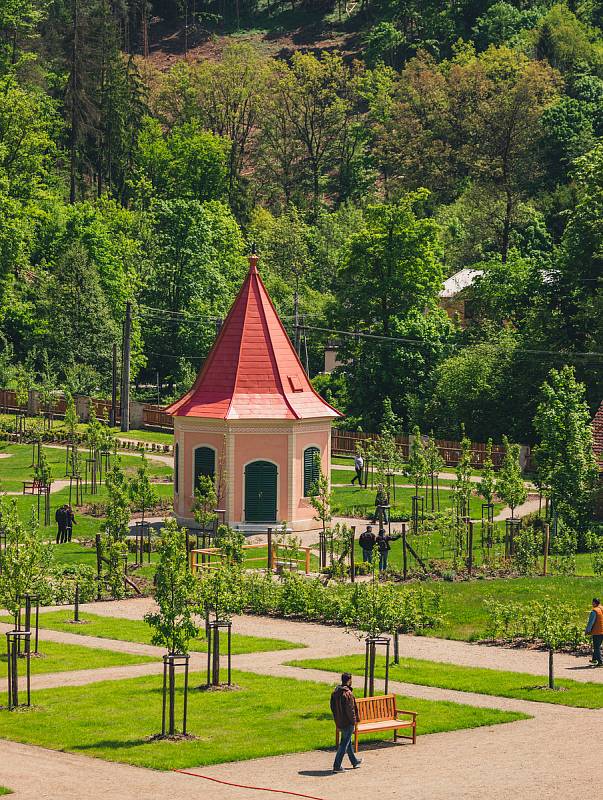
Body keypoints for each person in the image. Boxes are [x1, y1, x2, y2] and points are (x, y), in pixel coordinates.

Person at [330, 673, 362, 773]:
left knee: (347, 742)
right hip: (348, 722)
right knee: (344, 743)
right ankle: (337, 766)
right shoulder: (348, 693)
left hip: (339, 720)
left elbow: (332, 707)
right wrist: (354, 721)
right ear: (349, 681)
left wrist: (337, 718)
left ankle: (354, 761)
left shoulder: (335, 692)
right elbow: (351, 710)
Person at [585, 597, 603, 667]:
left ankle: (600, 662)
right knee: (597, 646)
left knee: (596, 647)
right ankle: (594, 659)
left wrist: (587, 631)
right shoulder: (602, 608)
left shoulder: (594, 611)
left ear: (594, 603)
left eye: (592, 602)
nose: (592, 603)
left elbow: (591, 623)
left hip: (597, 632)